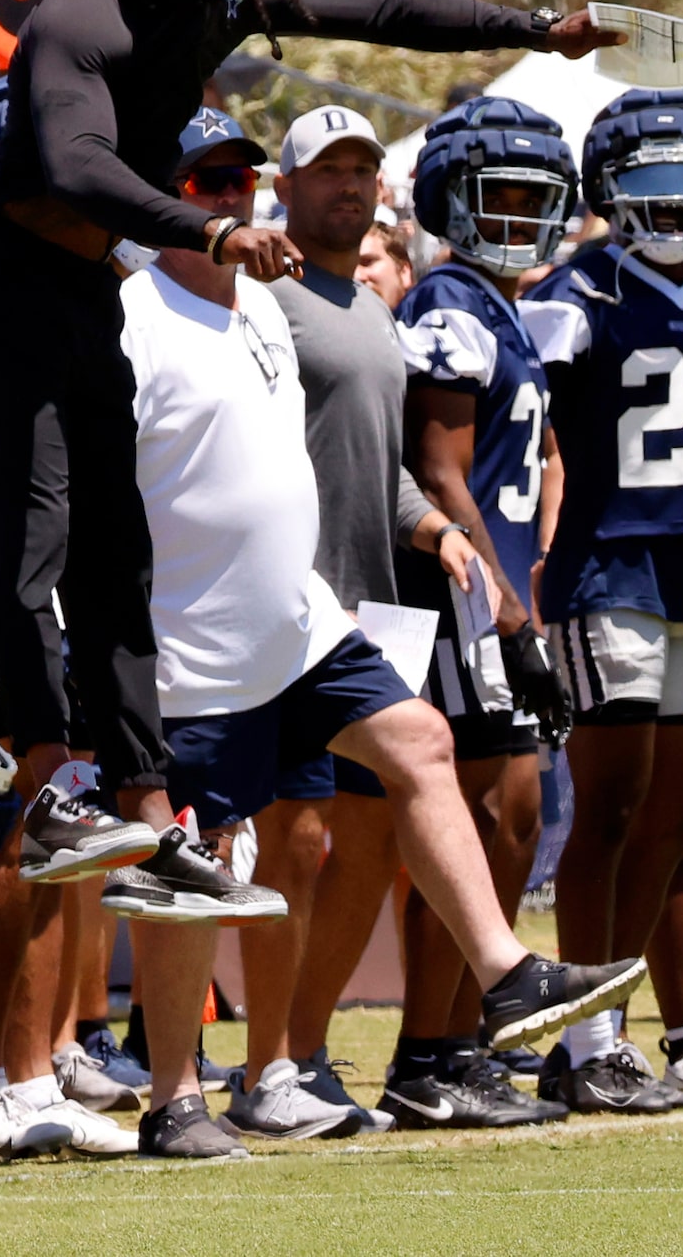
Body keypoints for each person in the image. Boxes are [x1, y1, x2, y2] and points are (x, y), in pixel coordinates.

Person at [0, 0, 620, 1160]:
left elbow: (384, 8)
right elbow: (65, 160)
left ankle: (131, 804)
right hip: (3, 280)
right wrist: (208, 222)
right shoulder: (79, 6)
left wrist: (532, 23)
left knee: (113, 550)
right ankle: (56, 791)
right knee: (40, 537)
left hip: (86, 282)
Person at [119, 110, 641, 1158]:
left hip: (306, 619)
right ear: (161, 195)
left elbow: (315, 458)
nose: (230, 197)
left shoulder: (268, 308)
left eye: (239, 179)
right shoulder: (132, 320)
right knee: (199, 862)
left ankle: (502, 977)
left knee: (421, 744)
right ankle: (175, 1097)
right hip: (192, 630)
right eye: (205, 181)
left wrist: (430, 528)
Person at [245, 105, 502, 1138]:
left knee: (367, 840)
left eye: (363, 171)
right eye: (327, 172)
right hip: (286, 607)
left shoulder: (363, 308)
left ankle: (303, 1057)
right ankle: (264, 1064)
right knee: (292, 840)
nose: (348, 188)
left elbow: (374, 460)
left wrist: (434, 526)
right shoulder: (265, 301)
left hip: (372, 607)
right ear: (288, 189)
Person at [525, 88, 683, 1111]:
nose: (670, 205)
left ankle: (614, 1032)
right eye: (648, 184)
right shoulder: (577, 294)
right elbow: (520, 432)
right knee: (611, 807)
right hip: (610, 564)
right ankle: (588, 1042)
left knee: (678, 817)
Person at [377, 98, 585, 1130]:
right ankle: (429, 1050)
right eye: (494, 196)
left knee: (514, 817)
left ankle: (459, 1040)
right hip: (456, 599)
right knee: (491, 814)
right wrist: (509, 615)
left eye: (531, 199)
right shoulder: (450, 306)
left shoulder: (503, 307)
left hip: (491, 595)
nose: (514, 217)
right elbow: (442, 472)